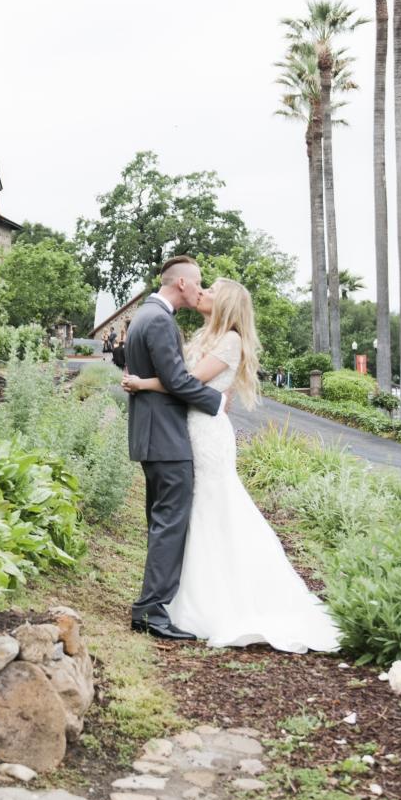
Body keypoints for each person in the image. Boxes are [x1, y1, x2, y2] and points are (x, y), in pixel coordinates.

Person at [122, 278, 340, 653]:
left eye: (209, 291)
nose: (201, 292)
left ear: (224, 303)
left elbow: (184, 382)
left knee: (214, 509)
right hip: (188, 428)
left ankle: (223, 599)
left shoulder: (231, 340)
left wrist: (143, 383)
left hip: (206, 433)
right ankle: (180, 595)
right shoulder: (206, 335)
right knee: (193, 515)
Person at [124, 256, 224, 640]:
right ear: (181, 283)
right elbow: (178, 381)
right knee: (170, 524)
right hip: (166, 439)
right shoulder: (160, 320)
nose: (200, 291)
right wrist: (216, 403)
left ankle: (154, 605)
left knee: (160, 522)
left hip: (151, 436)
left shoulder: (143, 316)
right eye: (198, 284)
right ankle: (151, 611)